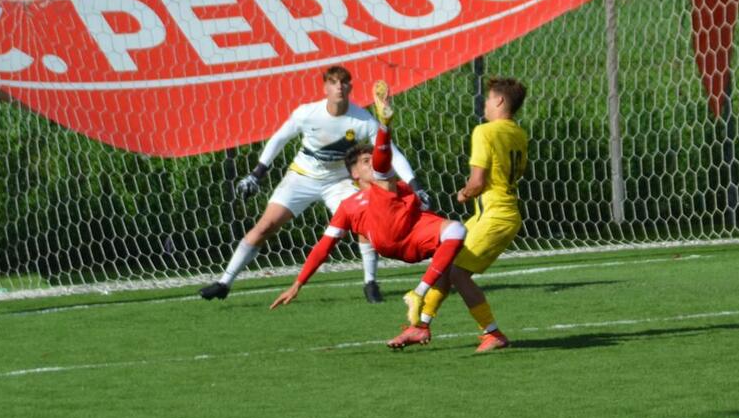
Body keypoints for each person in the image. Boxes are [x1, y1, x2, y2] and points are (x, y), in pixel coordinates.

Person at [197, 65, 429, 304]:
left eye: (344, 82)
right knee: (265, 226)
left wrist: (415, 185)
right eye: (333, 82)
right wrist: (256, 174)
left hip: (339, 181)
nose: (339, 87)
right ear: (325, 87)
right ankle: (224, 282)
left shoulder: (362, 119)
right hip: (302, 176)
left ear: (350, 87)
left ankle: (370, 283)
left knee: (365, 222)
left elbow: (392, 152)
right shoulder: (307, 113)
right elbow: (279, 138)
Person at [269, 82, 467, 310]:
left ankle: (420, 304)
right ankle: (384, 125)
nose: (371, 162)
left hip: (413, 238)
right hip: (388, 239)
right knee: (384, 178)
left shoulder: (398, 187)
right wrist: (297, 284)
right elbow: (325, 245)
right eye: (365, 161)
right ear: (353, 173)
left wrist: (419, 199)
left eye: (371, 157)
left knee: (457, 231)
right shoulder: (350, 205)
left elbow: (418, 211)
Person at [388, 76, 529, 353]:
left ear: (500, 101)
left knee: (458, 272)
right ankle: (421, 326)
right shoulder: (518, 133)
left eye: (489, 98)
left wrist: (464, 193)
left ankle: (492, 333)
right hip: (499, 211)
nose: (485, 104)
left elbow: (477, 182)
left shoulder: (484, 132)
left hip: (495, 215)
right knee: (446, 261)